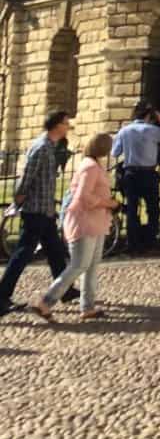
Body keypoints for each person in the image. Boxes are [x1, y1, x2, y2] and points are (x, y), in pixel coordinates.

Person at [30, 133, 119, 321]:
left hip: (96, 223)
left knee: (92, 266)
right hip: (84, 223)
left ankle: (88, 307)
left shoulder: (95, 166)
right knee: (78, 265)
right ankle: (45, 302)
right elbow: (83, 197)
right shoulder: (90, 167)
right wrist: (108, 203)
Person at [0, 111, 78, 315]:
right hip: (35, 210)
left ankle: (65, 290)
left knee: (55, 251)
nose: (68, 126)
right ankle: (1, 296)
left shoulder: (50, 147)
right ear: (56, 125)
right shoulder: (42, 148)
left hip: (45, 209)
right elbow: (26, 176)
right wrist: (18, 198)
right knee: (23, 253)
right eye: (65, 122)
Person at [112, 103, 160, 255]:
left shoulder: (124, 131)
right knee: (153, 210)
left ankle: (133, 244)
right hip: (148, 174)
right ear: (148, 116)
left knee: (132, 210)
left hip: (130, 174)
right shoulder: (152, 130)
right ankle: (150, 243)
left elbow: (115, 152)